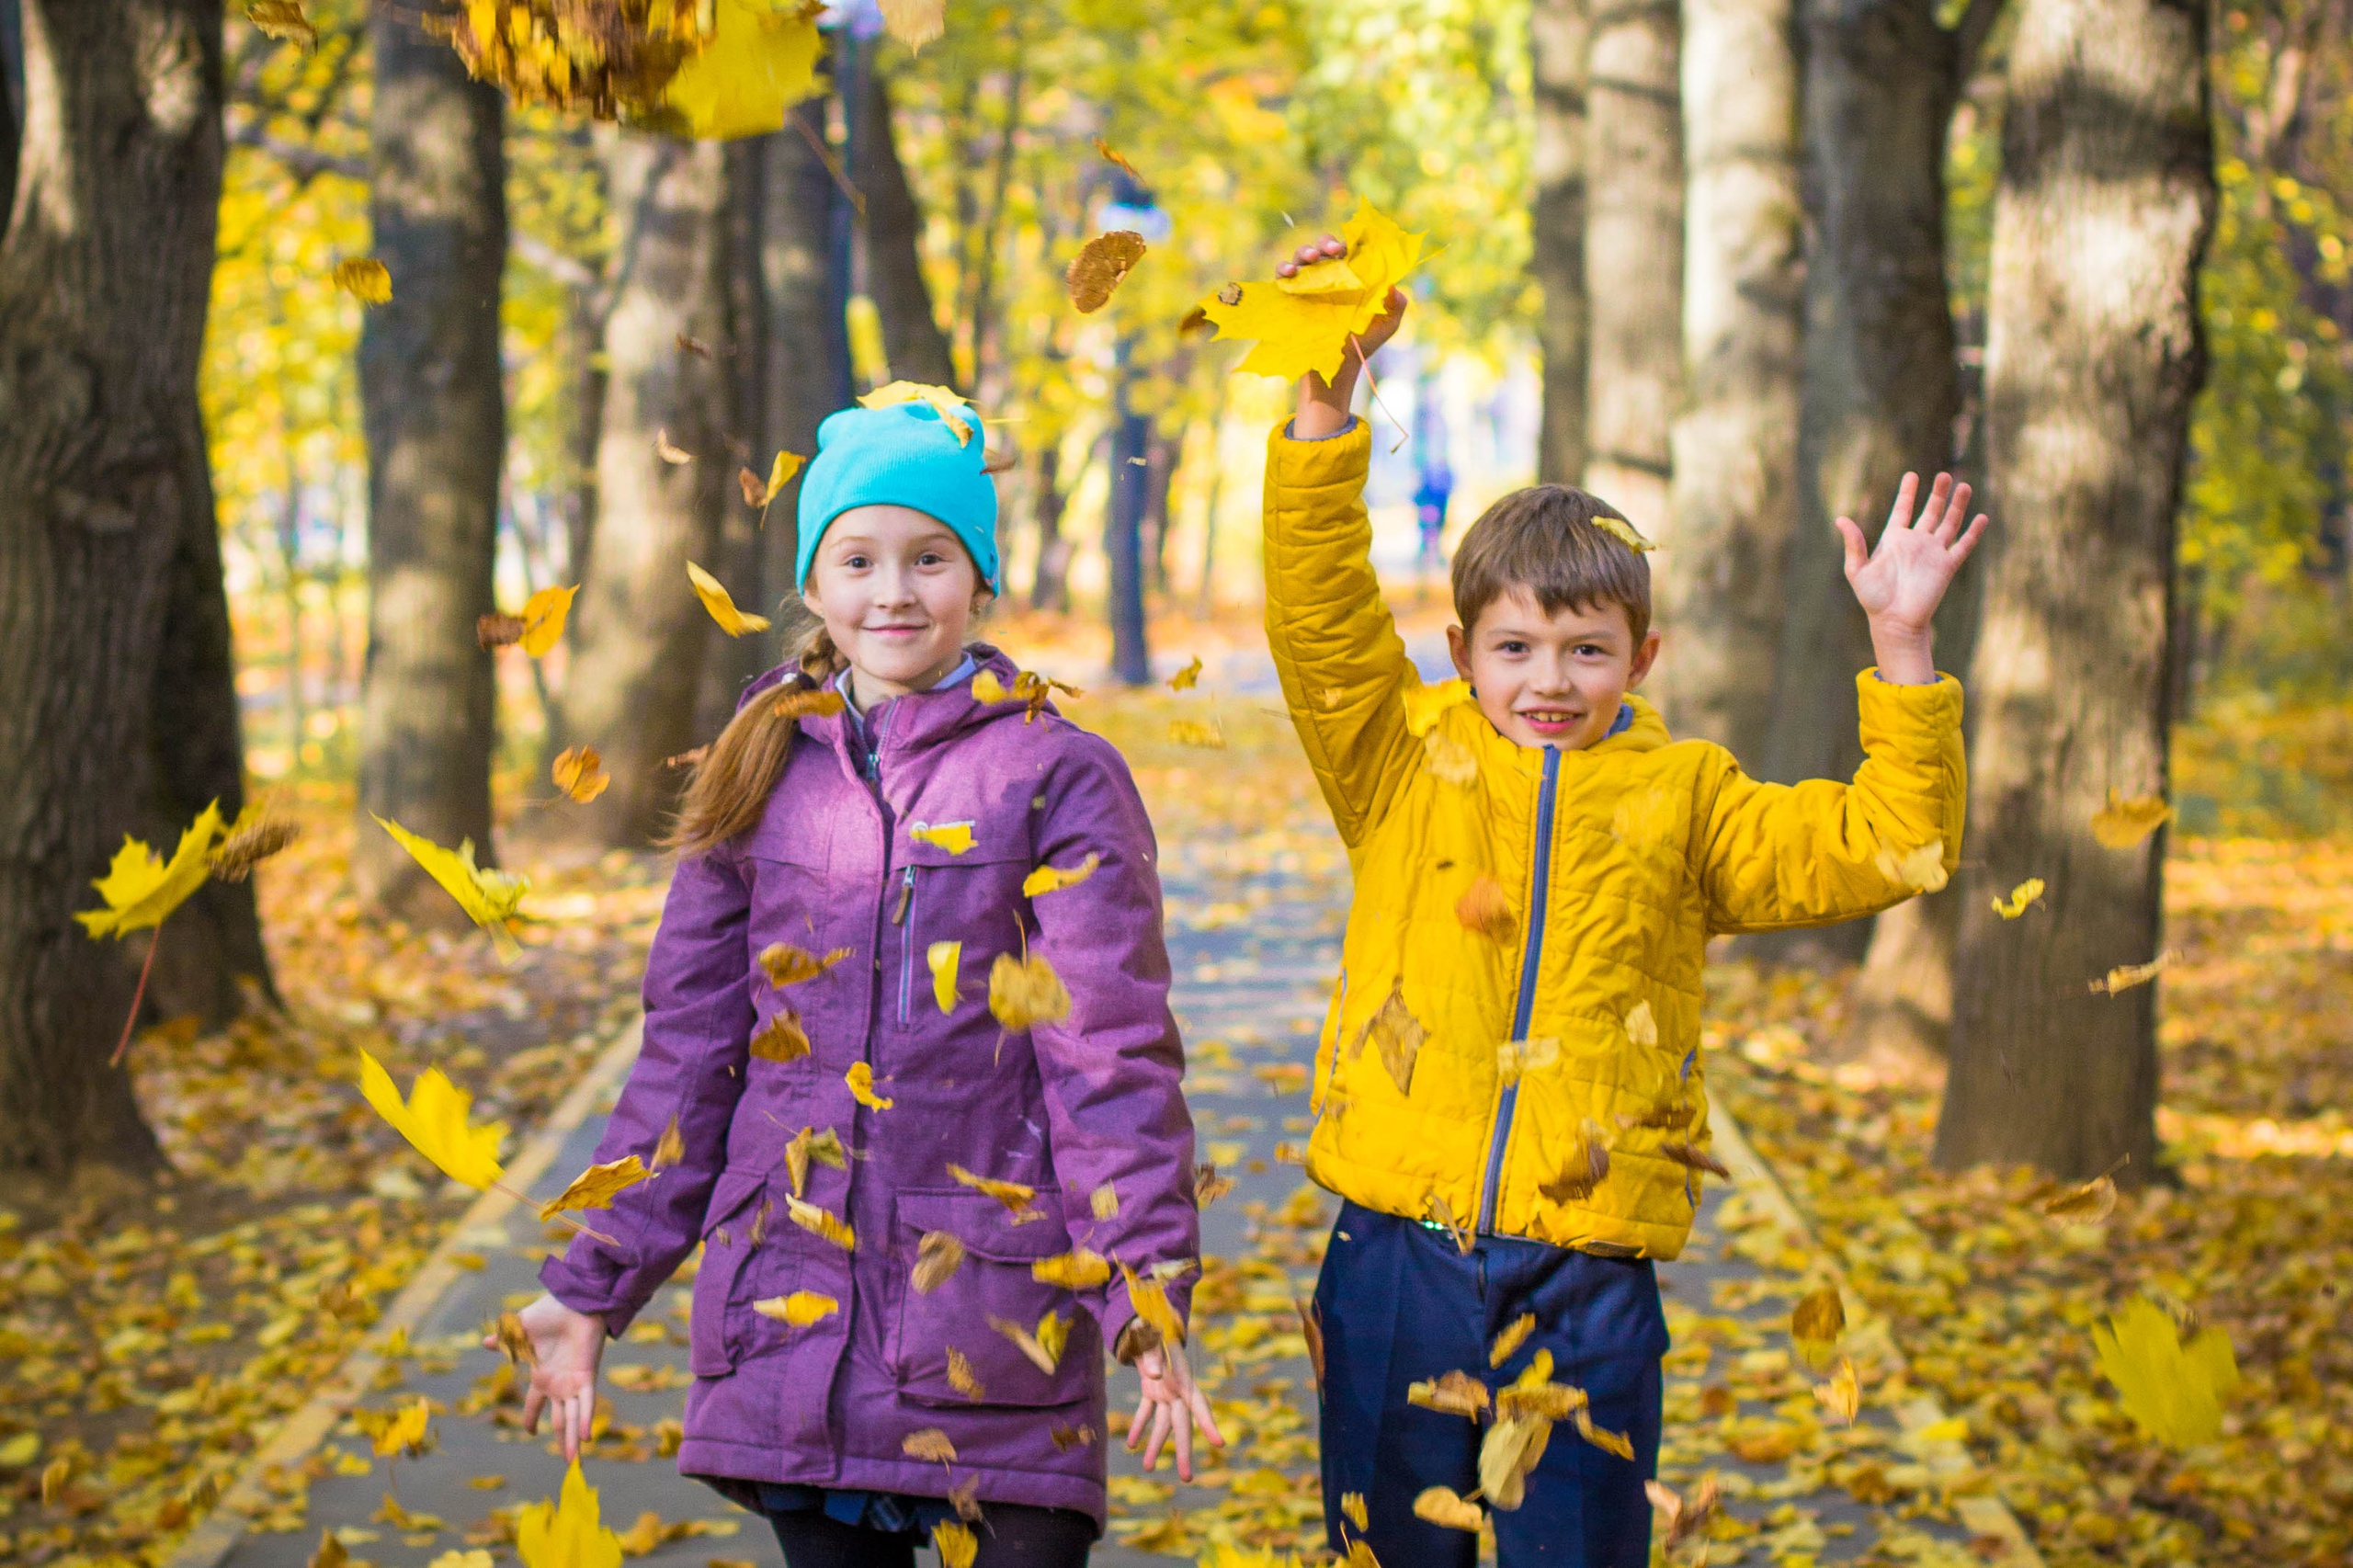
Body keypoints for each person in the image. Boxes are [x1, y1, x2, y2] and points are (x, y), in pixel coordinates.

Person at [1262, 234, 1986, 1567]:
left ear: (1640, 655)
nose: (1552, 679)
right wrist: (1325, 405)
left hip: (1587, 1277)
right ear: (1463, 651)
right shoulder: (1399, 763)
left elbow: (1894, 843)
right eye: (1518, 647)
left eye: (1587, 648)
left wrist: (1901, 646)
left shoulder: (1690, 797)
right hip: (1398, 1260)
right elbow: (1318, 620)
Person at [494, 392, 1221, 1567]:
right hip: (794, 1312)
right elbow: (688, 1054)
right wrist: (590, 1288)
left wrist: (1145, 1288)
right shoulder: (758, 757)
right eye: (860, 558)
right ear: (815, 585)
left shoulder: (1059, 775)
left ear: (979, 578)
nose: (894, 590)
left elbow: (1109, 1053)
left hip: (997, 1318)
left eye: (930, 557)